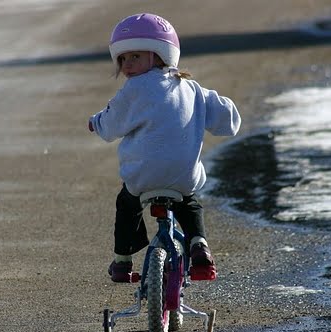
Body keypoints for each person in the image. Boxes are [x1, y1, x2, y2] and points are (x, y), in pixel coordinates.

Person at [88, 13, 241, 283]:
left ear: (160, 56)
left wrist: (95, 123)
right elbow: (227, 120)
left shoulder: (133, 90)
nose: (127, 65)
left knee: (127, 204)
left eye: (135, 56)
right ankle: (199, 245)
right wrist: (229, 113)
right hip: (183, 177)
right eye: (122, 59)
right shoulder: (192, 89)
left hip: (142, 178)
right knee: (189, 203)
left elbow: (110, 124)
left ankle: (122, 262)